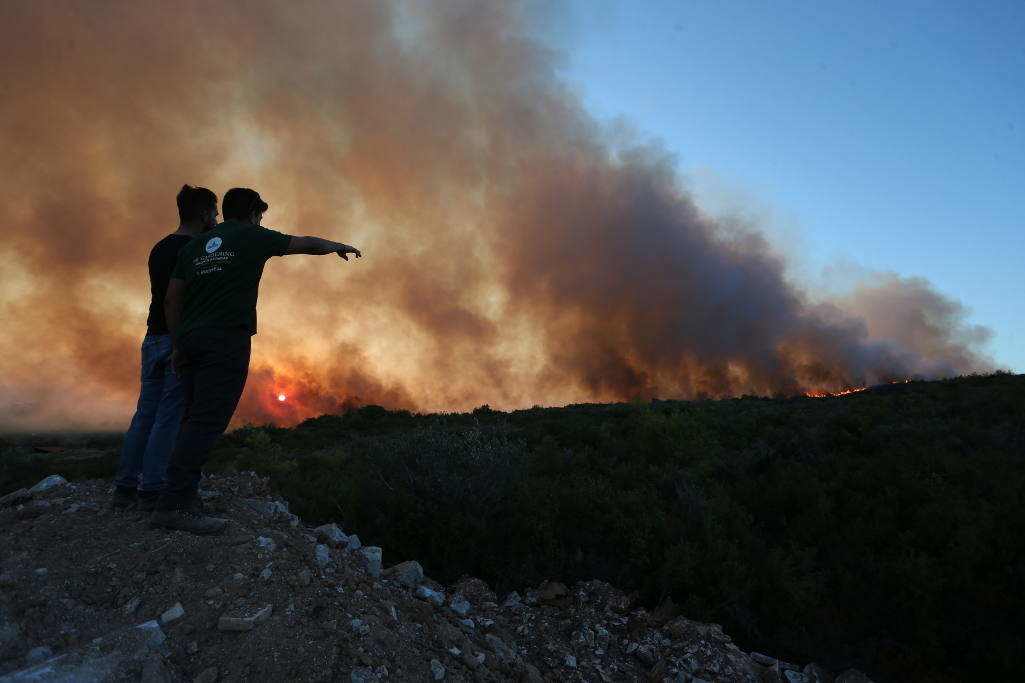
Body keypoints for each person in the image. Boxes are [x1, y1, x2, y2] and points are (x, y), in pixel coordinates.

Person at [151, 187, 361, 534]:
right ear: (251, 213)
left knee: (190, 418)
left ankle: (180, 495)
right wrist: (338, 246)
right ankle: (171, 505)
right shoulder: (251, 235)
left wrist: (177, 345)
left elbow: (172, 301)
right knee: (206, 422)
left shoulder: (193, 246)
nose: (262, 220)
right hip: (225, 338)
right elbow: (305, 243)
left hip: (190, 338)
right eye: (260, 214)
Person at [112, 185, 219, 511]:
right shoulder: (199, 249)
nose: (217, 218)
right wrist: (182, 343)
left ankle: (125, 488)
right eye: (214, 211)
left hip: (152, 338)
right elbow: (181, 299)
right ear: (203, 213)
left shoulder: (160, 247)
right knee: (170, 417)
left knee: (145, 415)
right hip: (178, 340)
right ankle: (154, 490)